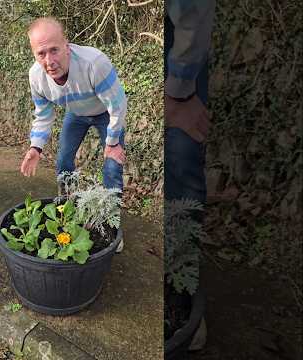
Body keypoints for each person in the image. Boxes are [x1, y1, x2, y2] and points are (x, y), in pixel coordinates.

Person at [19, 17, 127, 251]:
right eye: (41, 53)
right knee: (63, 161)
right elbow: (44, 114)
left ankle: (111, 226)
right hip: (76, 114)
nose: (49, 61)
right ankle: (66, 211)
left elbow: (118, 106)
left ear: (66, 45)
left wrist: (113, 143)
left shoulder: (94, 63)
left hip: (106, 113)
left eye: (54, 50)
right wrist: (35, 147)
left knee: (111, 167)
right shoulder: (36, 77)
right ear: (34, 55)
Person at [164, 0, 216, 351]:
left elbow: (193, 11)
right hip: (167, 34)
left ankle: (180, 296)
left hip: (180, 45)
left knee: (180, 169)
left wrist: (179, 91)